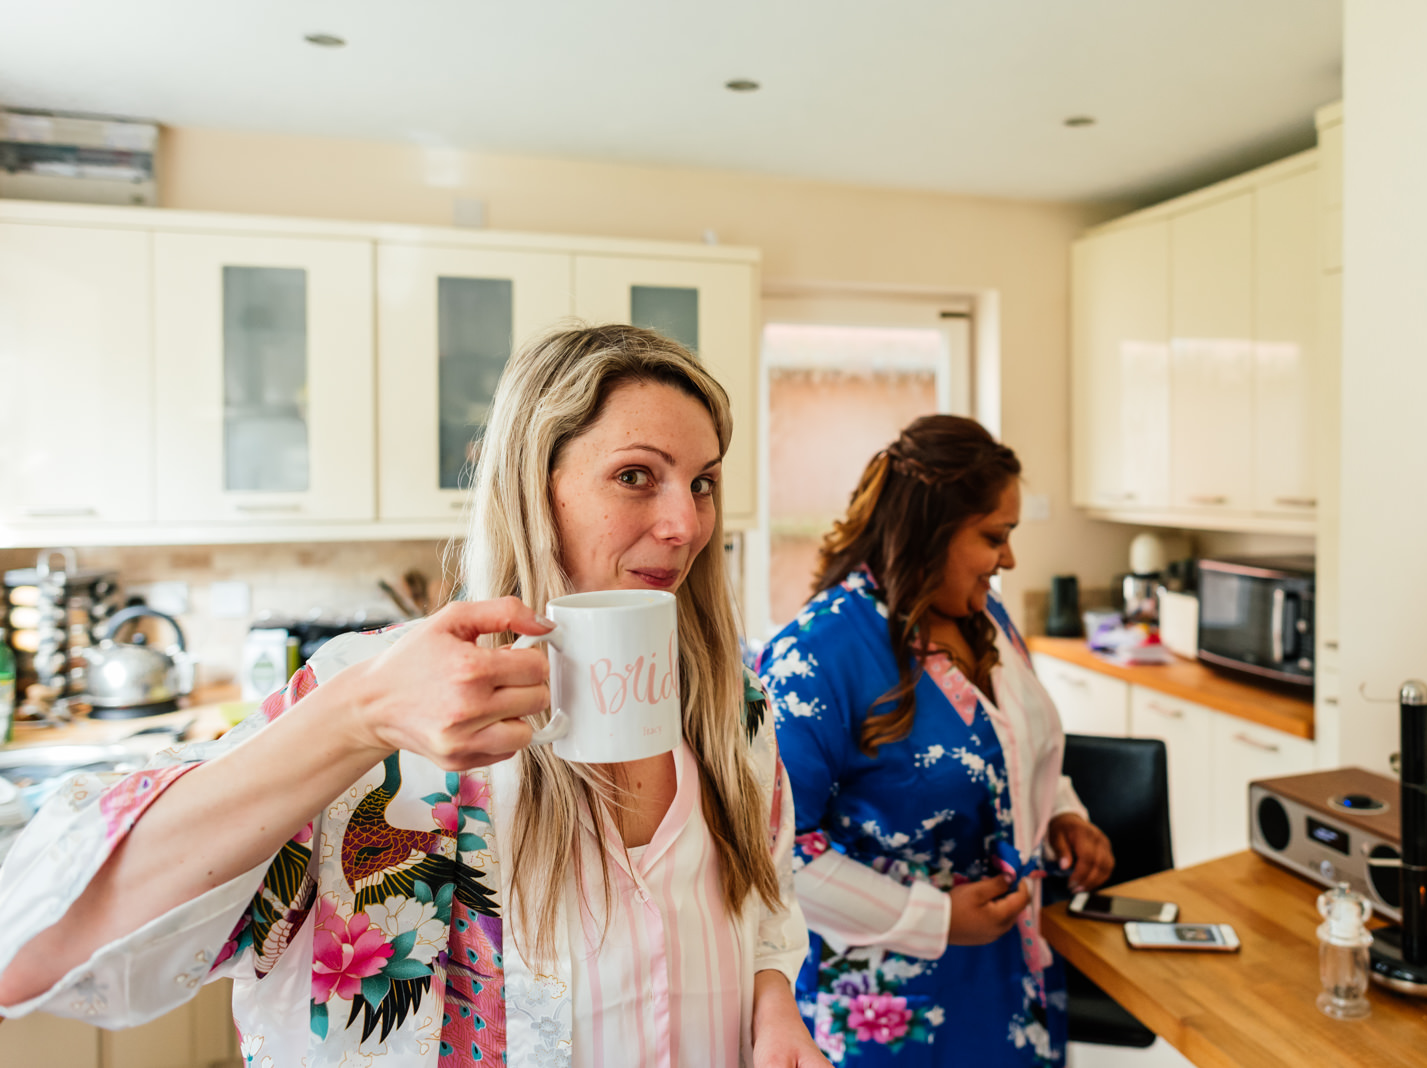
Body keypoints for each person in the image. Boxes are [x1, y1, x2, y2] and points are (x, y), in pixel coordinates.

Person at [0, 324, 828, 1068]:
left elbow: (762, 904)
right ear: (533, 487)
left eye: (705, 482)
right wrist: (355, 719)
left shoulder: (732, 702)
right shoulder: (373, 696)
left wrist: (770, 997)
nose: (686, 523)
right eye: (636, 475)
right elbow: (34, 951)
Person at [758, 415, 1114, 1066]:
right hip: (895, 1012)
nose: (1009, 560)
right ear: (931, 533)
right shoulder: (814, 657)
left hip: (1012, 976)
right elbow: (779, 857)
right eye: (994, 537)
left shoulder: (986, 617)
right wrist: (937, 920)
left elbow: (1016, 745)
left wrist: (1062, 812)